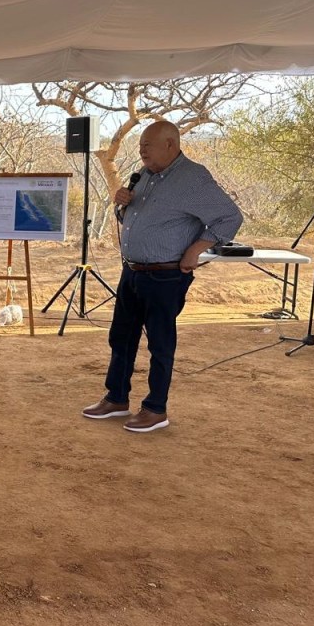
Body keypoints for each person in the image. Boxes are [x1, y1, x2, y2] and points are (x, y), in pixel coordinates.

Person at [82, 120, 243, 432]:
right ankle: (116, 398)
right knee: (121, 336)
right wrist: (121, 206)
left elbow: (229, 217)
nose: (141, 150)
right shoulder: (144, 176)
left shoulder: (192, 178)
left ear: (170, 144)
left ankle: (155, 408)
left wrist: (197, 248)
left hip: (165, 276)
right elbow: (138, 218)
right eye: (141, 145)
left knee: (159, 341)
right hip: (132, 272)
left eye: (147, 145)